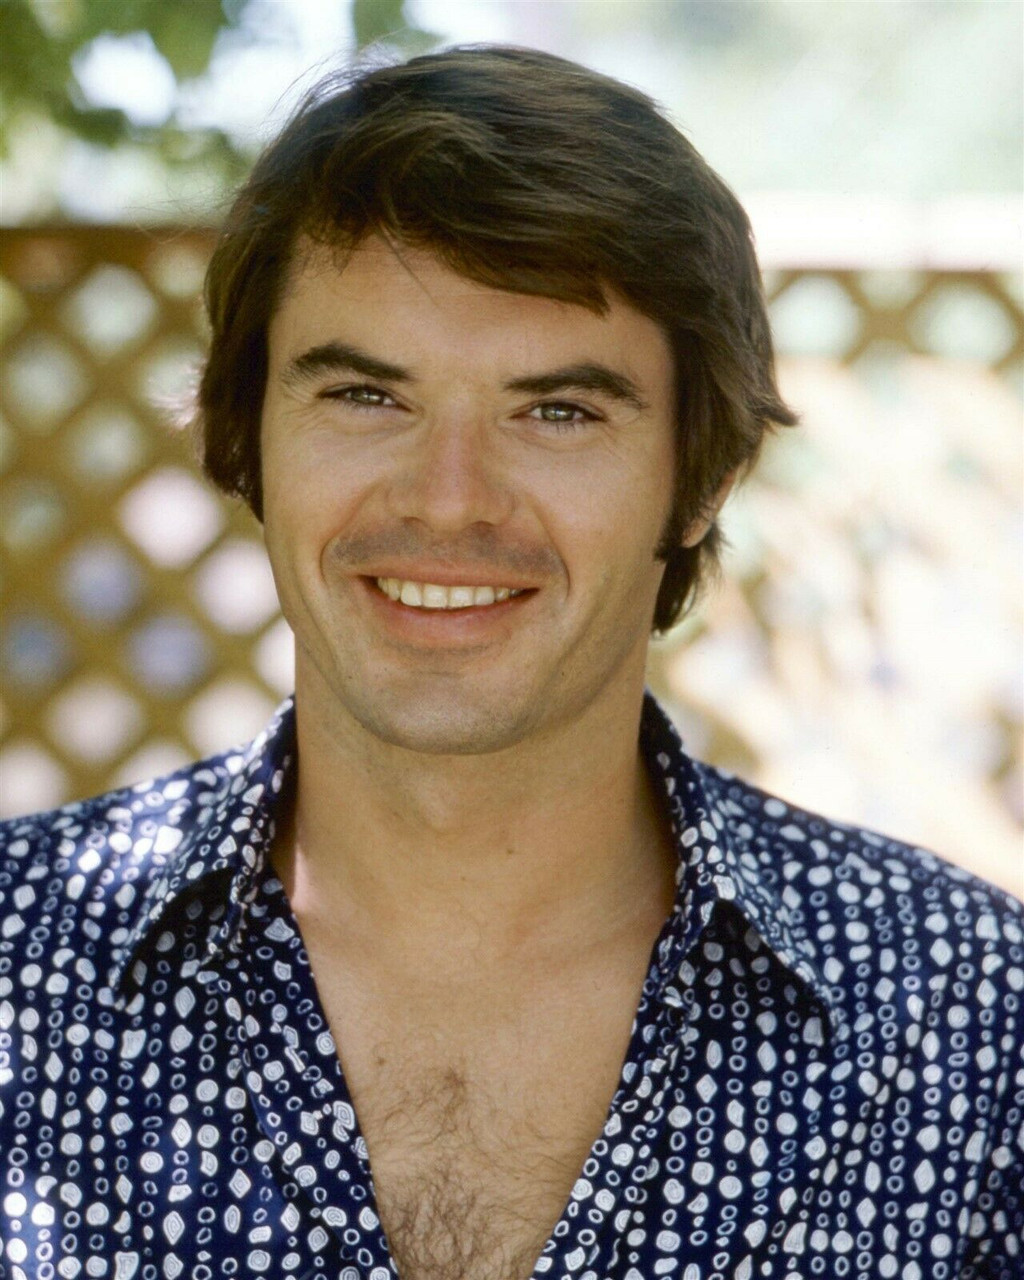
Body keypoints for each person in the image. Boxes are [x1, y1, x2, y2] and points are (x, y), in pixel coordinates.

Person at [0, 44, 1021, 1280]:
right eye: (366, 396)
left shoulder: (968, 1020)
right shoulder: (18, 961)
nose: (448, 499)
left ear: (702, 477)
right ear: (249, 435)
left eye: (558, 411)